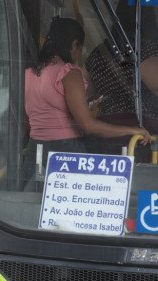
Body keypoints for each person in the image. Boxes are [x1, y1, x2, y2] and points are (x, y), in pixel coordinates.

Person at [22, 17, 149, 189]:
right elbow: (88, 125)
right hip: (65, 153)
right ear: (74, 44)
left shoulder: (29, 73)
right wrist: (133, 130)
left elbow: (33, 115)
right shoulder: (69, 72)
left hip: (33, 152)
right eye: (80, 48)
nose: (79, 54)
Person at [85, 0, 158, 156]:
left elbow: (89, 93)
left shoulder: (97, 53)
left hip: (105, 131)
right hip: (141, 133)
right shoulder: (144, 49)